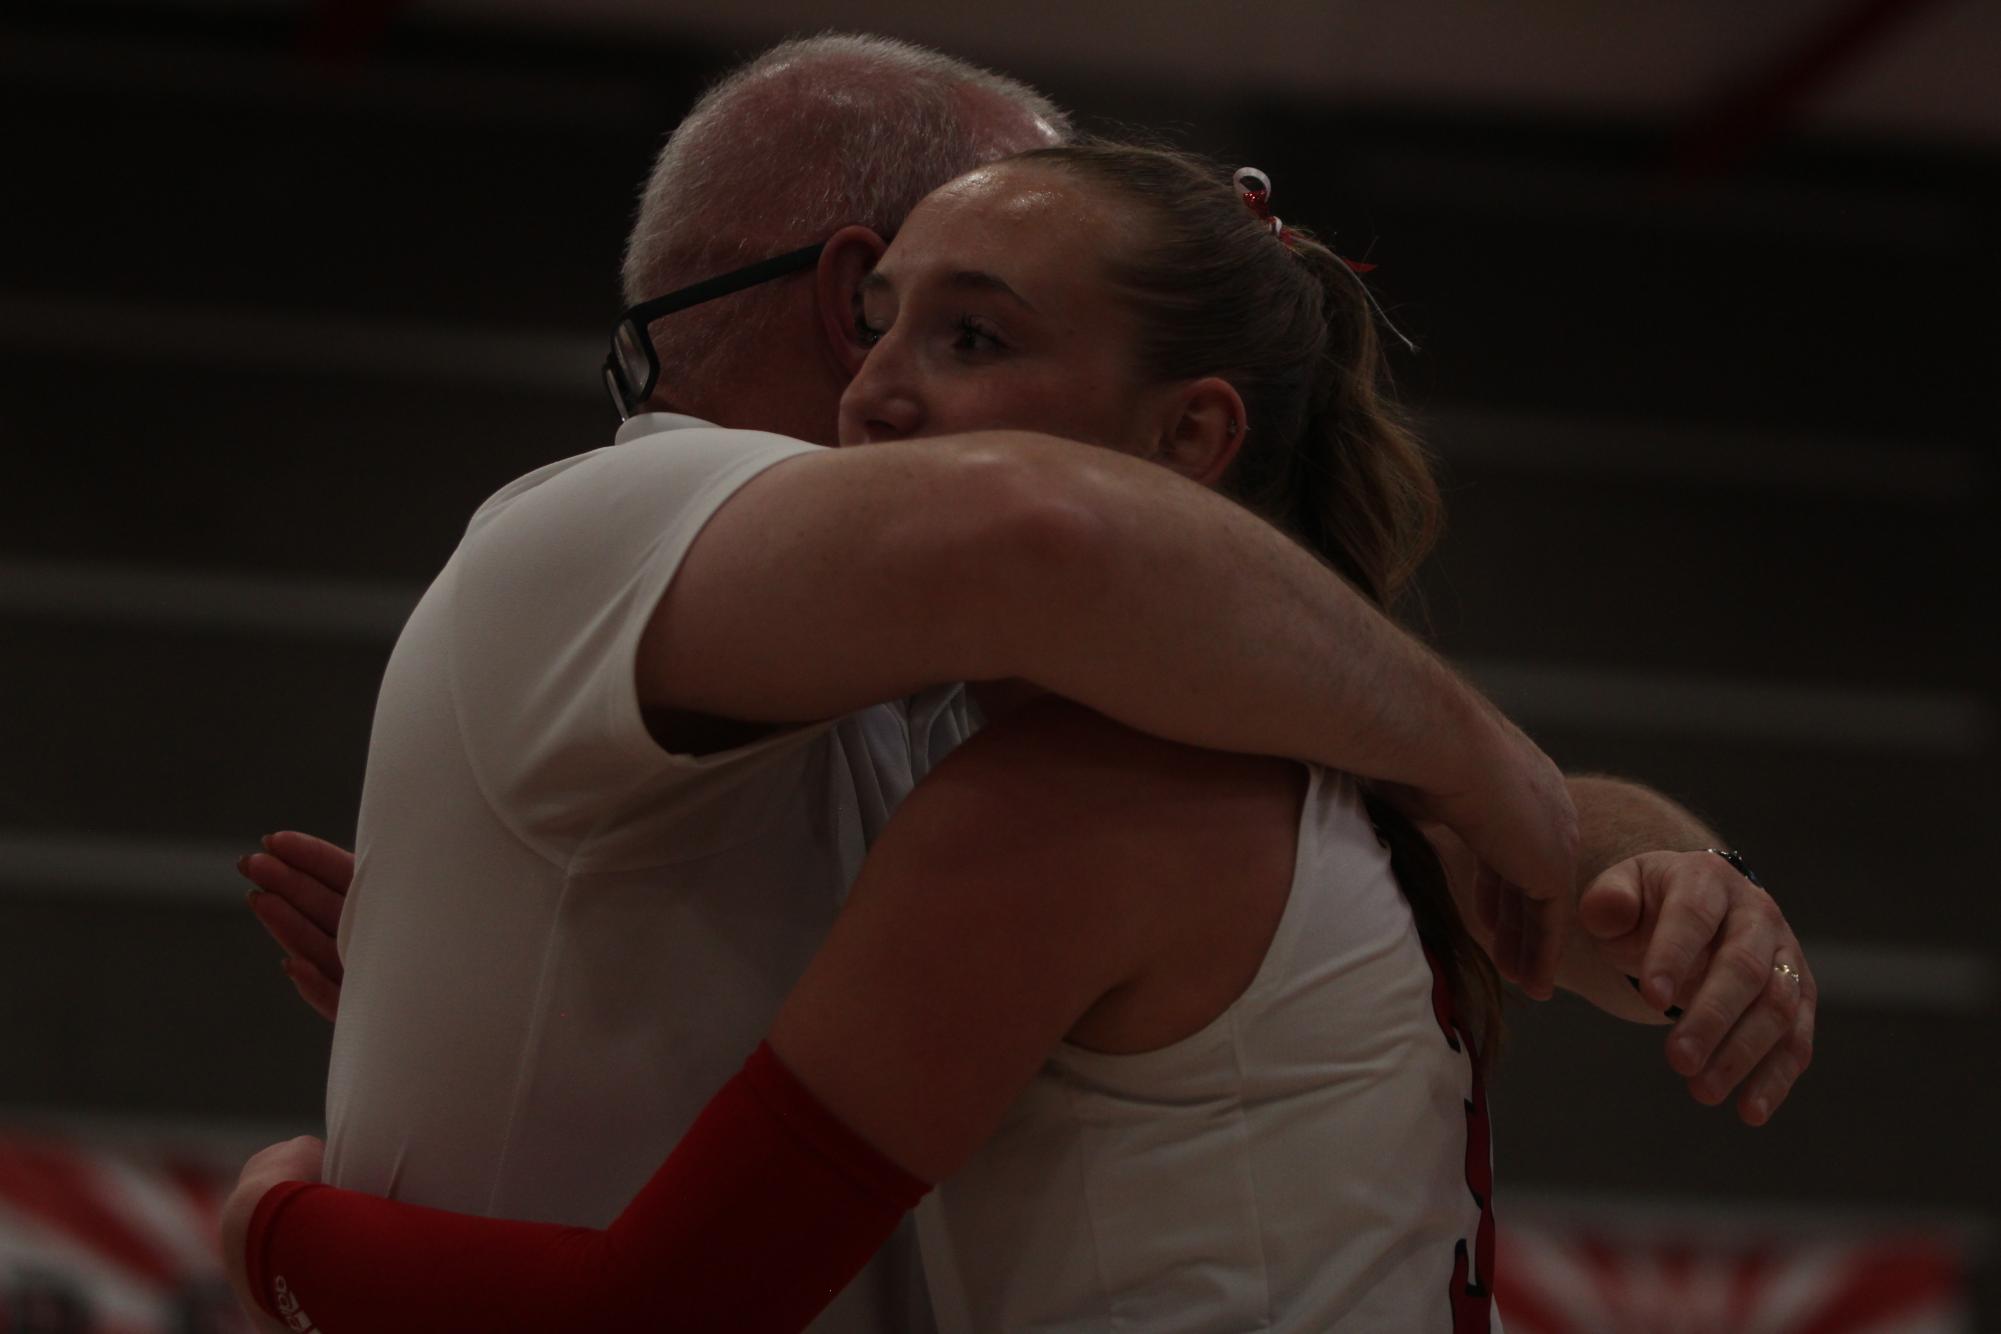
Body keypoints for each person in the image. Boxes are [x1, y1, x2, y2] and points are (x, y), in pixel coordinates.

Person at [223, 141, 1813, 1333]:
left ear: (1187, 437)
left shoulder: (1078, 802)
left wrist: (271, 1224)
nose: (874, 395)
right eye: (880, 322)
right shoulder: (1346, 767)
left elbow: (657, 1314)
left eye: (971, 340)